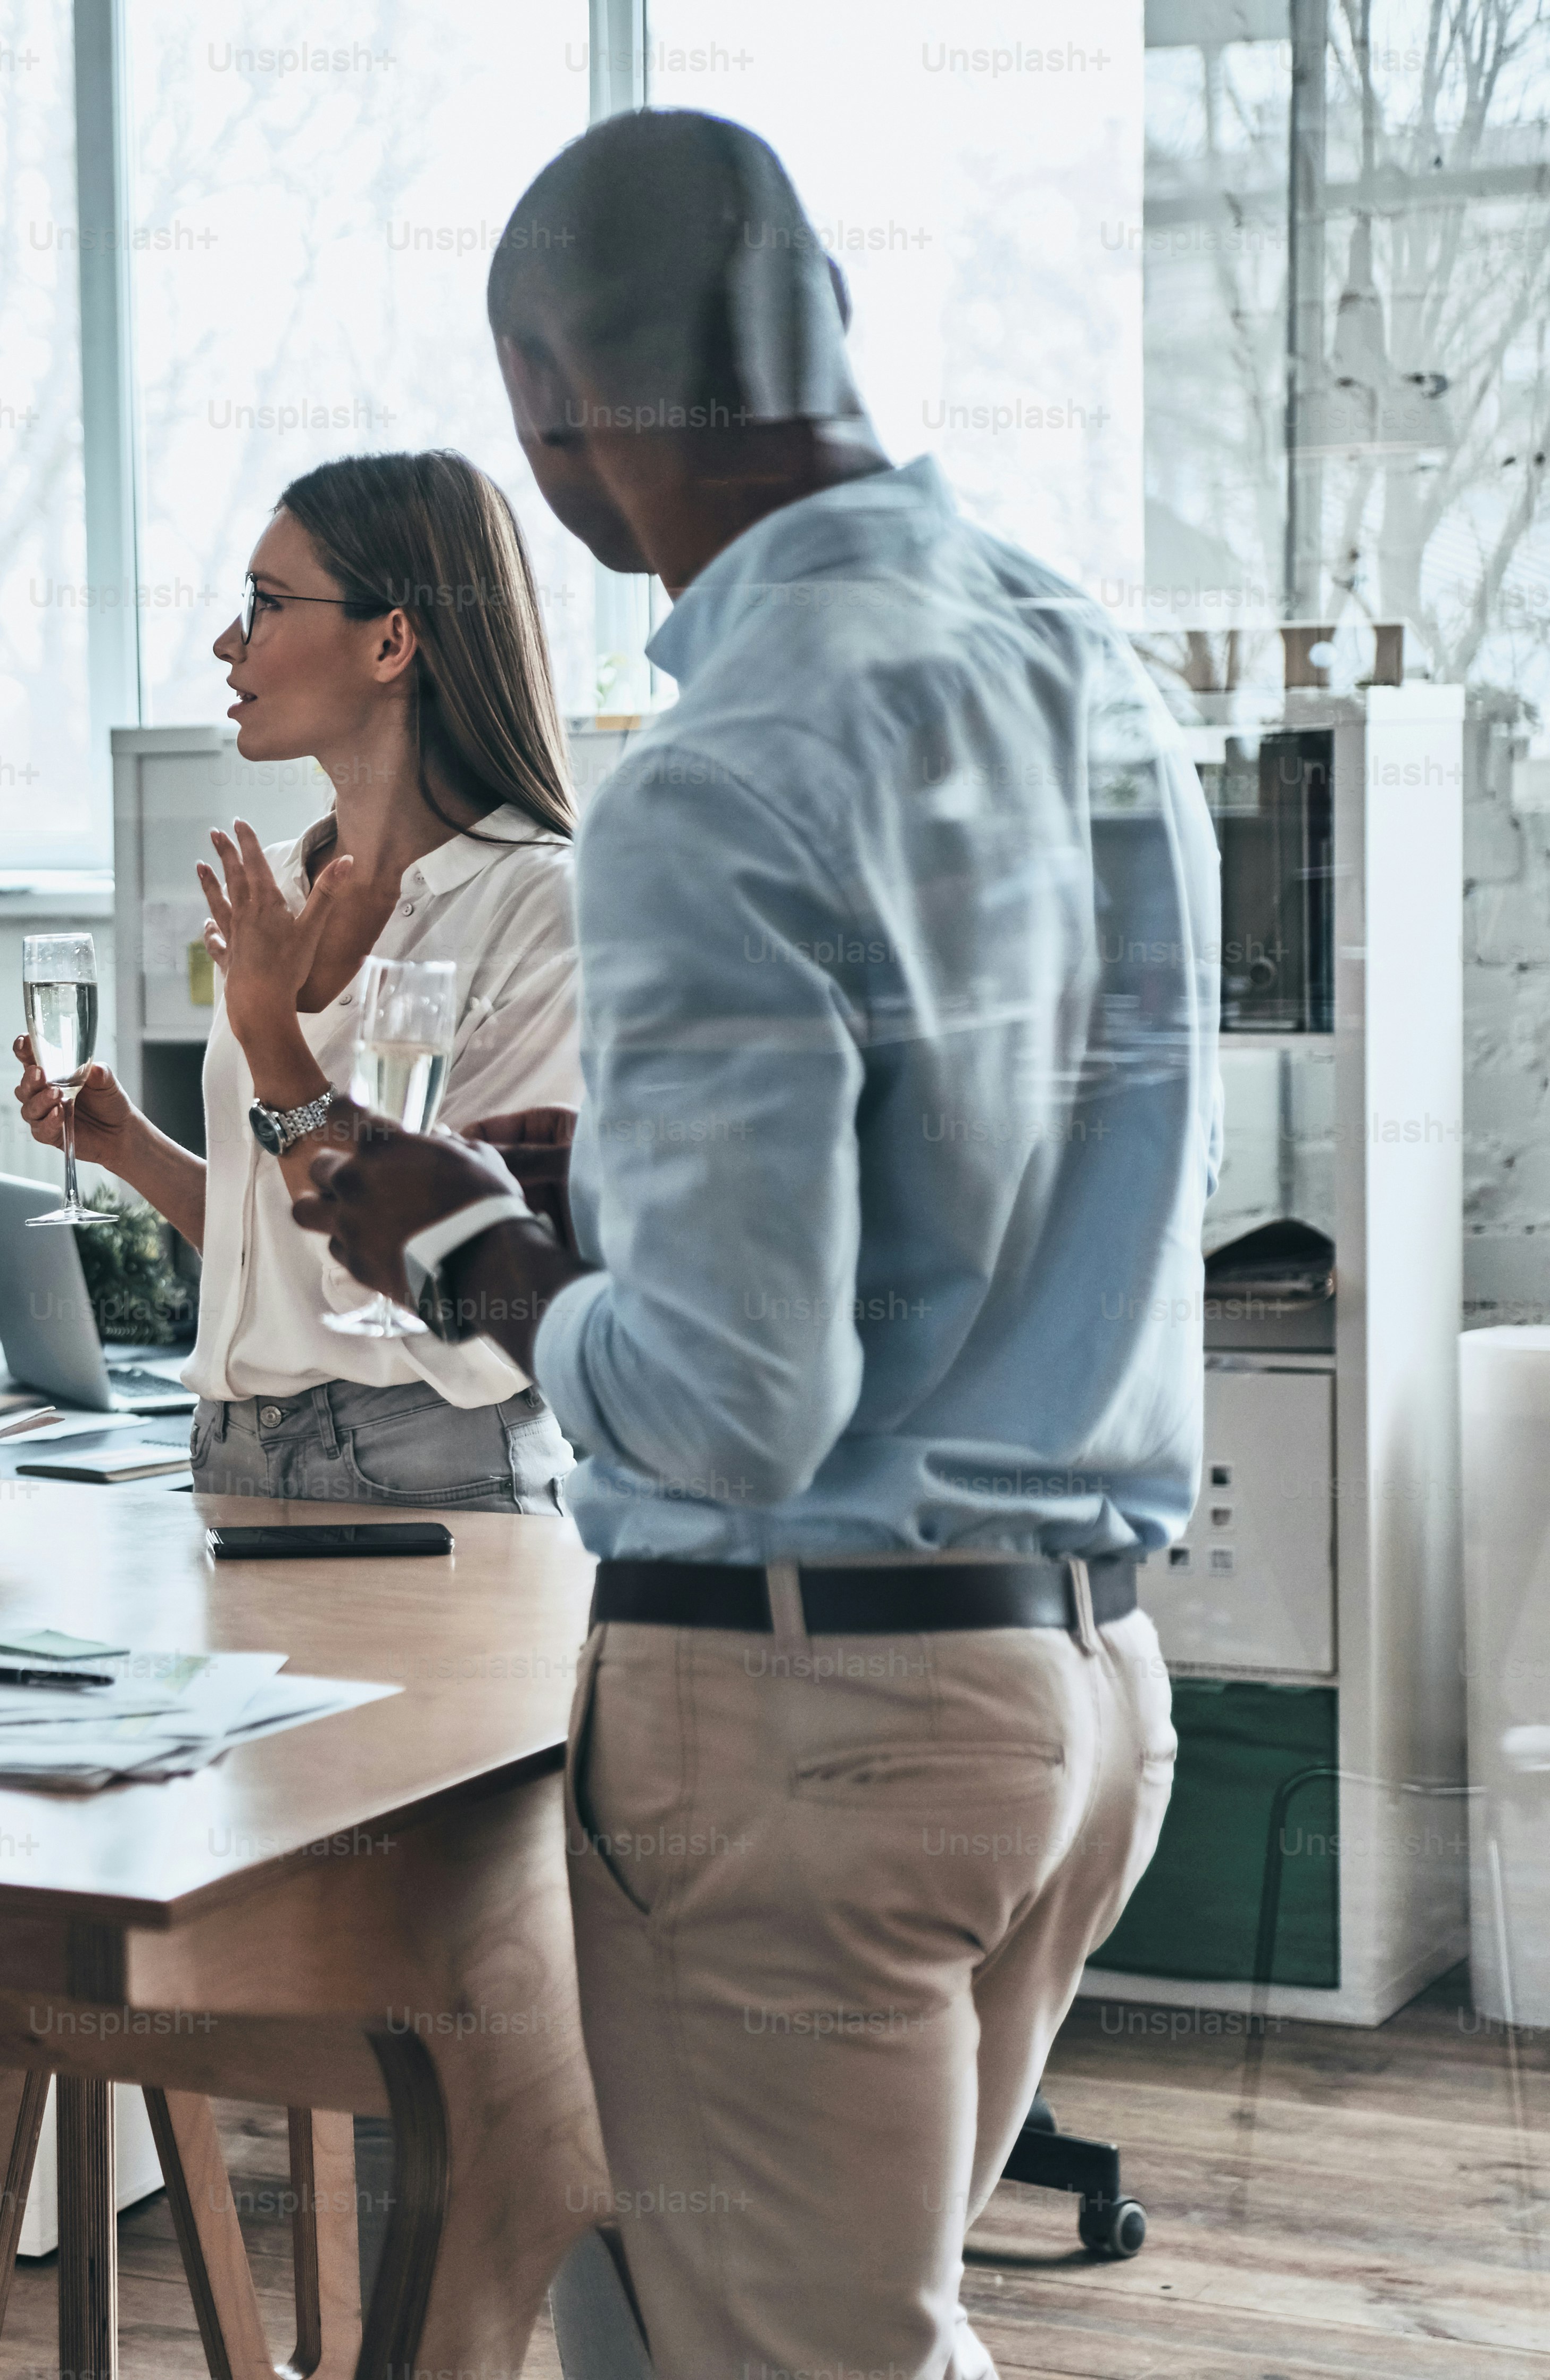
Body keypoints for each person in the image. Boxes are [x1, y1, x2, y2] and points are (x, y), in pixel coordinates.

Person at [292, 113, 1211, 2380]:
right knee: (747, 2326)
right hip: (1070, 1695)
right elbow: (976, 1180)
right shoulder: (1077, 669)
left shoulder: (714, 775)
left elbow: (730, 1397)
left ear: (545, 402)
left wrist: (465, 1251)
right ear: (826, 314)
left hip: (817, 1709)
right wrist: (620, 1200)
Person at [11, 451, 577, 1510]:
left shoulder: (536, 906)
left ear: (391, 638)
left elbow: (444, 1273)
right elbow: (271, 1248)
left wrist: (270, 1032)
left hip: (429, 1459)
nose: (228, 643)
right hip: (231, 1454)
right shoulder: (274, 886)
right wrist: (127, 1146)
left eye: (265, 605)